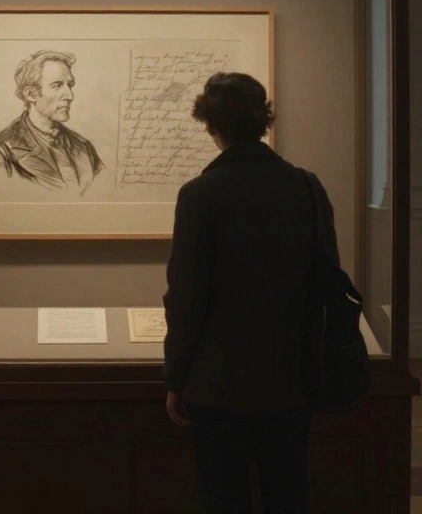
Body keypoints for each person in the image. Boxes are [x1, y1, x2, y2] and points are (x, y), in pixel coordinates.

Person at [163, 71, 334, 514]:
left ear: (211, 124)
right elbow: (326, 278)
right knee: (287, 494)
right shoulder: (306, 186)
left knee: (226, 497)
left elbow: (186, 297)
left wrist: (176, 377)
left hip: (218, 382)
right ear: (263, 121)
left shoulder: (201, 195)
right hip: (291, 374)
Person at [0, 49, 105, 194]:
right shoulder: (0, 151)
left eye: (70, 85)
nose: (70, 95)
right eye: (57, 85)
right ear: (31, 94)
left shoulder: (84, 147)